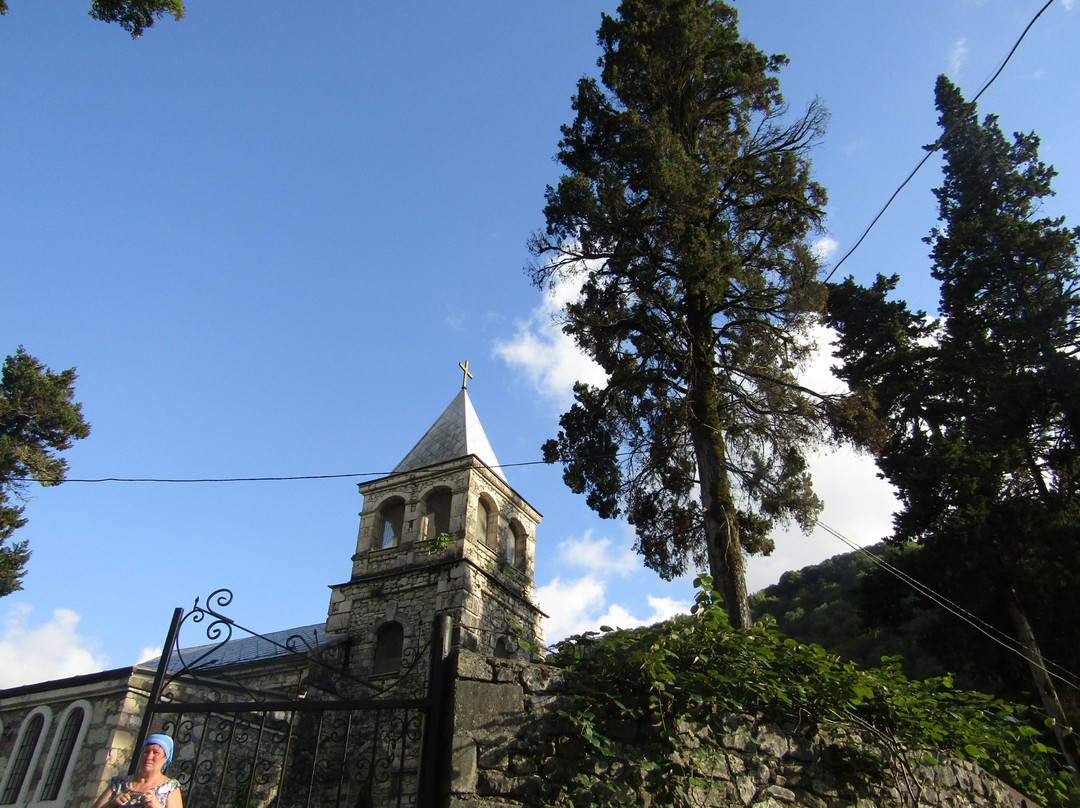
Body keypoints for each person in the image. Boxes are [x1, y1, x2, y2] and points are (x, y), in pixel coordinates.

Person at [90, 734, 182, 808]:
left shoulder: (171, 787)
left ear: (165, 758)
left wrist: (157, 806)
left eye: (155, 752)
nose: (149, 757)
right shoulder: (120, 783)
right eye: (146, 752)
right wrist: (112, 804)